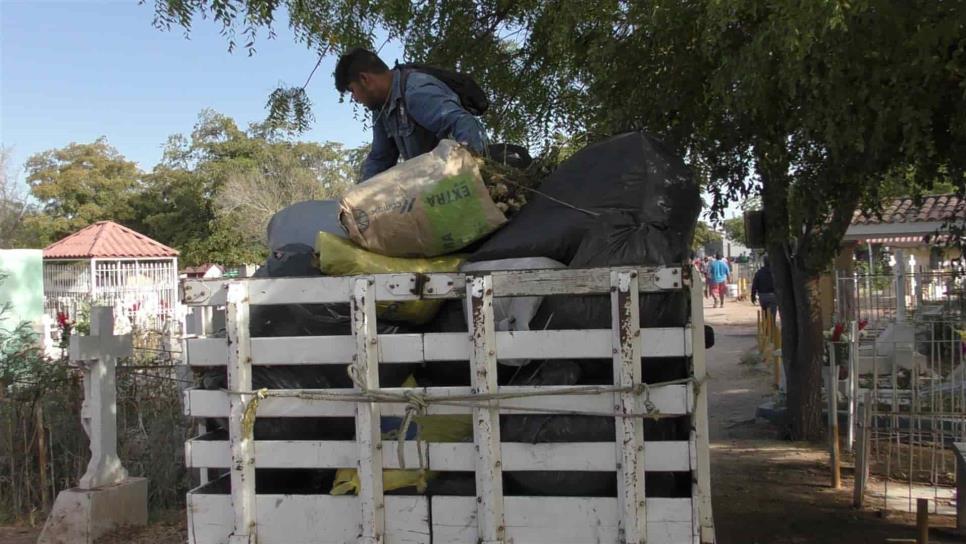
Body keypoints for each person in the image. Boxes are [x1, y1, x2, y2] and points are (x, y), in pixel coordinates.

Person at [334, 48, 489, 181]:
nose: (355, 98)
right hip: (431, 191)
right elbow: (380, 159)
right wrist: (359, 198)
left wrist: (473, 175)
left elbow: (464, 123)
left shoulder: (415, 91)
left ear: (364, 79)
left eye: (352, 90)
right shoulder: (381, 109)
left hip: (458, 189)